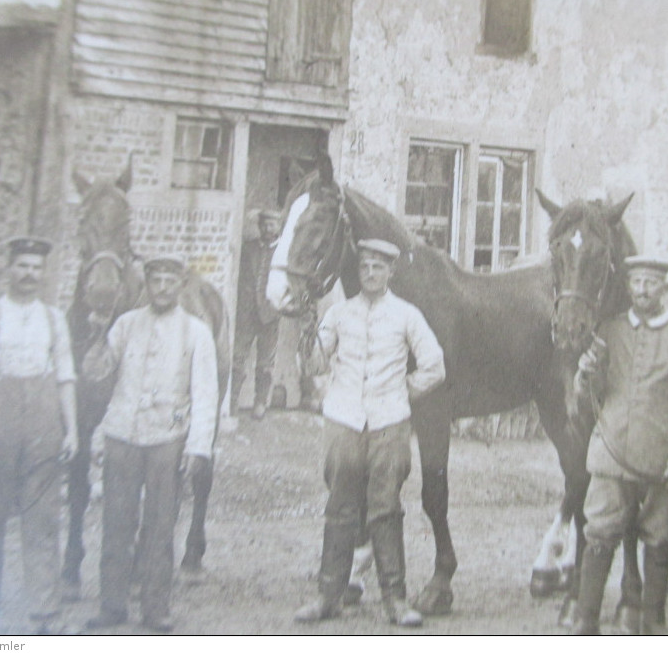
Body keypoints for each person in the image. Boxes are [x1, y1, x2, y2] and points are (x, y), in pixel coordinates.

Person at [294, 238, 445, 627]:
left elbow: (434, 365)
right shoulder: (340, 314)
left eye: (379, 267)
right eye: (365, 266)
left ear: (391, 272)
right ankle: (328, 595)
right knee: (340, 507)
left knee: (385, 508)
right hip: (344, 419)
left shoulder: (407, 315)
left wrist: (402, 393)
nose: (371, 273)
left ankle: (395, 599)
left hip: (388, 423)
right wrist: (308, 335)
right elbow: (313, 366)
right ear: (358, 270)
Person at [570, 256, 668, 636]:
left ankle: (654, 623)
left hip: (661, 460)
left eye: (651, 283)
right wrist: (586, 377)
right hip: (611, 452)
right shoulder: (609, 331)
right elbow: (591, 396)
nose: (643, 289)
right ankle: (585, 624)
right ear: (629, 288)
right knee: (598, 531)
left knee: (659, 534)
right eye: (637, 282)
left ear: (665, 290)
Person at [83, 254, 219, 633]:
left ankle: (155, 609)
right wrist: (96, 334)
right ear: (146, 284)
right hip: (122, 435)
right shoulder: (125, 325)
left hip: (167, 439)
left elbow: (206, 395)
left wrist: (198, 447)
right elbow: (97, 376)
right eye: (155, 280)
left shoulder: (196, 332)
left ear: (180, 285)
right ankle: (112, 605)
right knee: (116, 523)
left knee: (160, 528)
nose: (162, 287)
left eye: (169, 281)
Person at [0, 237, 78, 635]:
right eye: (22, 266)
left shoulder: (53, 319)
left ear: (43, 274)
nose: (29, 274)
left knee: (41, 523)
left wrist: (71, 429)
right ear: (9, 269)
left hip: (43, 428)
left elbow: (64, 376)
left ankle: (44, 613)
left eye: (36, 268)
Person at [231, 208, 282, 418]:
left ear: (279, 227)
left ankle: (260, 402)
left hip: (270, 313)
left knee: (265, 362)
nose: (267, 229)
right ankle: (231, 401)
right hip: (246, 312)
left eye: (272, 224)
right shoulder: (248, 248)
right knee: (237, 357)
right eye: (264, 224)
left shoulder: (284, 252)